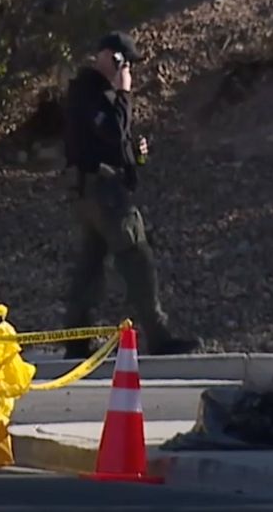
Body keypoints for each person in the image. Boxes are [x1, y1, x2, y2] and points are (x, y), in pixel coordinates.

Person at [60, 31, 200, 358]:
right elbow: (111, 130)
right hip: (103, 191)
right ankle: (159, 336)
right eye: (124, 64)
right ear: (110, 57)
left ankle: (76, 340)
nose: (127, 72)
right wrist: (124, 93)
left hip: (92, 189)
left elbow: (110, 140)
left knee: (90, 265)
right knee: (137, 258)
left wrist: (134, 155)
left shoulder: (93, 93)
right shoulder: (89, 92)